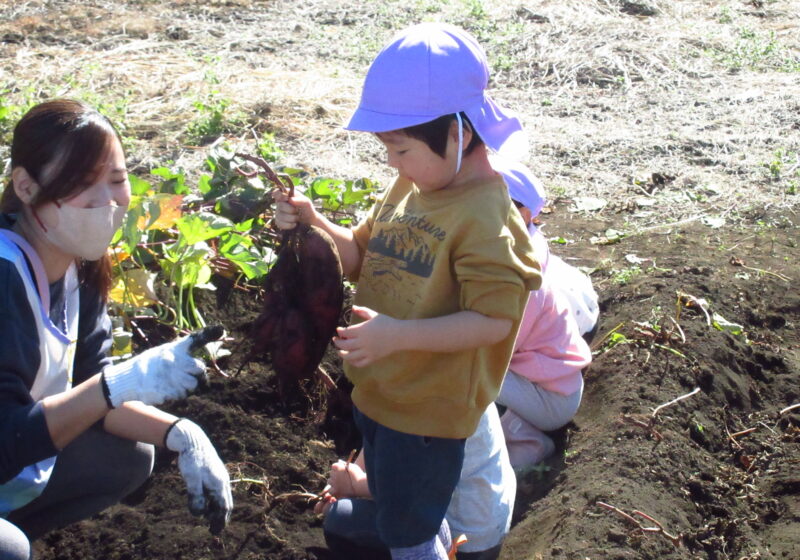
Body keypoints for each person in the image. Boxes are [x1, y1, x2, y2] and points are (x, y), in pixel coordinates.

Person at [274, 23, 541, 560]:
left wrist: (398, 336)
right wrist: (314, 222)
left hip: (426, 414)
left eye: (399, 148)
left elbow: (493, 322)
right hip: (382, 394)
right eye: (386, 149)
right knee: (407, 509)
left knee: (409, 530)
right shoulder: (414, 184)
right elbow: (358, 257)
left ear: (459, 132)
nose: (390, 162)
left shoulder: (486, 218)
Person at [0, 99, 233, 560]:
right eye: (82, 184)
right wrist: (113, 385)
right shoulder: (6, 277)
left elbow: (95, 387)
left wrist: (183, 434)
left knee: (128, 456)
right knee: (10, 549)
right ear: (26, 186)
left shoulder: (77, 269)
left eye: (117, 180)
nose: (107, 202)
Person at [316, 403, 515, 560]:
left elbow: (411, 487)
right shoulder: (450, 368)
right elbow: (379, 430)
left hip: (466, 540)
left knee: (339, 520)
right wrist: (354, 472)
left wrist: (355, 484)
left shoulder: (419, 395)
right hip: (492, 516)